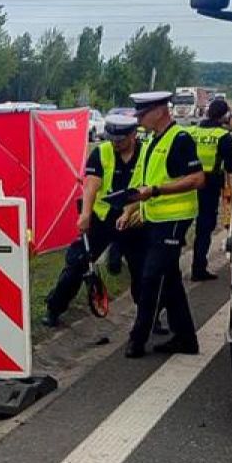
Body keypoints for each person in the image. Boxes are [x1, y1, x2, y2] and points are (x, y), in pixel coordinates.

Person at [118, 91, 205, 358]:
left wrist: (156, 191)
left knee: (151, 277)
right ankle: (186, 339)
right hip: (155, 219)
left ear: (159, 111)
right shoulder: (154, 141)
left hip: (174, 220)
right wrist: (130, 208)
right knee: (170, 281)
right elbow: (142, 184)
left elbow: (197, 179)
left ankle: (138, 338)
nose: (140, 120)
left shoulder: (179, 139)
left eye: (143, 114)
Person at [42, 114, 147, 327]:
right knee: (77, 263)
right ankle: (54, 308)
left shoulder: (147, 153)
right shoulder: (102, 152)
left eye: (121, 140)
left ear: (133, 135)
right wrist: (86, 214)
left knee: (142, 270)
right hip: (102, 219)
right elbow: (91, 184)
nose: (115, 144)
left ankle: (148, 316)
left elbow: (150, 186)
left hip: (133, 220)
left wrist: (132, 212)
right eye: (112, 139)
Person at [187, 98, 232, 282]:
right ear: (225, 115)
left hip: (186, 184)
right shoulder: (223, 136)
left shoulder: (191, 132)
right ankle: (198, 269)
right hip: (209, 185)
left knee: (181, 225)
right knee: (204, 227)